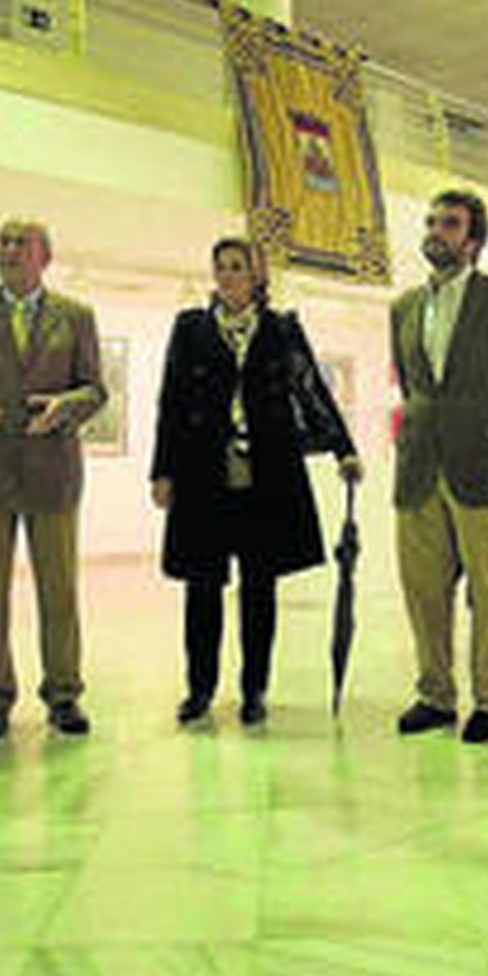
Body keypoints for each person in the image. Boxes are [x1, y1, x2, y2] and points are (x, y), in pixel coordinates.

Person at [150, 237, 362, 727]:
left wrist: (343, 449)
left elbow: (311, 390)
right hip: (203, 475)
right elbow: (171, 404)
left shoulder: (281, 330)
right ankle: (199, 688)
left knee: (258, 588)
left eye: (236, 267)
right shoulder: (191, 328)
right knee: (202, 586)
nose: (226, 276)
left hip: (266, 474)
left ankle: (254, 688)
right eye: (220, 266)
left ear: (256, 275)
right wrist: (163, 471)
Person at [0, 219, 106, 744]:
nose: (8, 250)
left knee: (60, 590)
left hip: (53, 469)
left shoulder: (76, 317)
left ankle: (64, 693)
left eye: (19, 243)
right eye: (3, 242)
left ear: (44, 256)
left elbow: (95, 388)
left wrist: (65, 407)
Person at [391, 189, 488, 744]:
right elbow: (412, 385)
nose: (436, 230)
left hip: (482, 462)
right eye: (431, 221)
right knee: (422, 589)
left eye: (450, 223)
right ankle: (435, 694)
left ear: (473, 239)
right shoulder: (403, 307)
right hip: (418, 466)